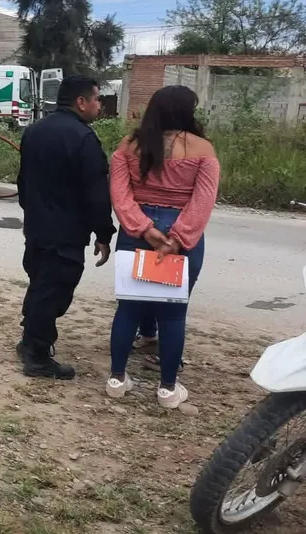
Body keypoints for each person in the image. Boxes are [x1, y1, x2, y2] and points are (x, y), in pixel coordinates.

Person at [105, 85, 219, 410]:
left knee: (128, 307)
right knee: (173, 313)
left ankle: (116, 379)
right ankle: (168, 389)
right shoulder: (203, 149)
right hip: (180, 236)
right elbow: (203, 201)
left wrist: (144, 229)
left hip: (135, 231)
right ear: (186, 112)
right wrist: (178, 238)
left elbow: (120, 195)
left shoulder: (128, 146)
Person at [16, 75, 115, 379]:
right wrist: (103, 232)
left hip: (37, 227)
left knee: (40, 284)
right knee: (54, 291)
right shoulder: (84, 138)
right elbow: (96, 192)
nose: (100, 105)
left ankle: (29, 340)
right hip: (66, 231)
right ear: (80, 102)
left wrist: (32, 212)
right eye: (97, 99)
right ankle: (37, 354)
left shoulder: (34, 131)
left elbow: (22, 181)